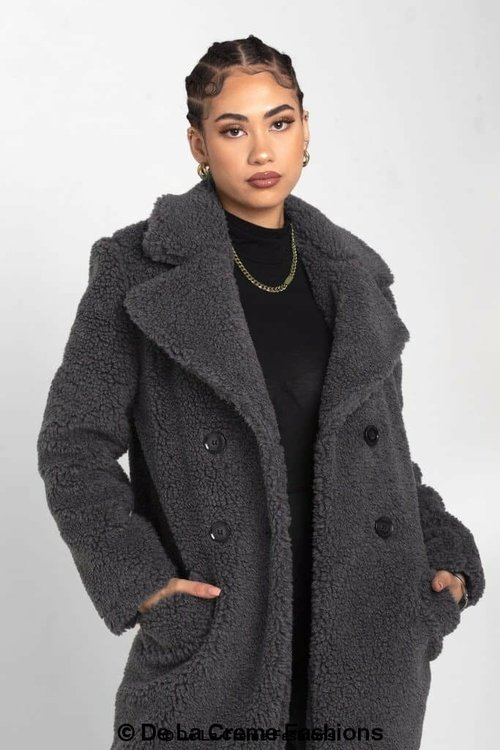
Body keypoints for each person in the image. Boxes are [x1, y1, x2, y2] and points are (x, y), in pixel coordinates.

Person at [37, 35, 485, 750]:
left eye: (279, 122)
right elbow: (72, 446)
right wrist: (143, 584)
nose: (261, 150)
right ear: (198, 144)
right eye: (232, 129)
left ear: (306, 129)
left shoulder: (355, 278)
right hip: (221, 643)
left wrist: (445, 557)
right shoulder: (136, 271)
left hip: (368, 643)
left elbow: (386, 461)